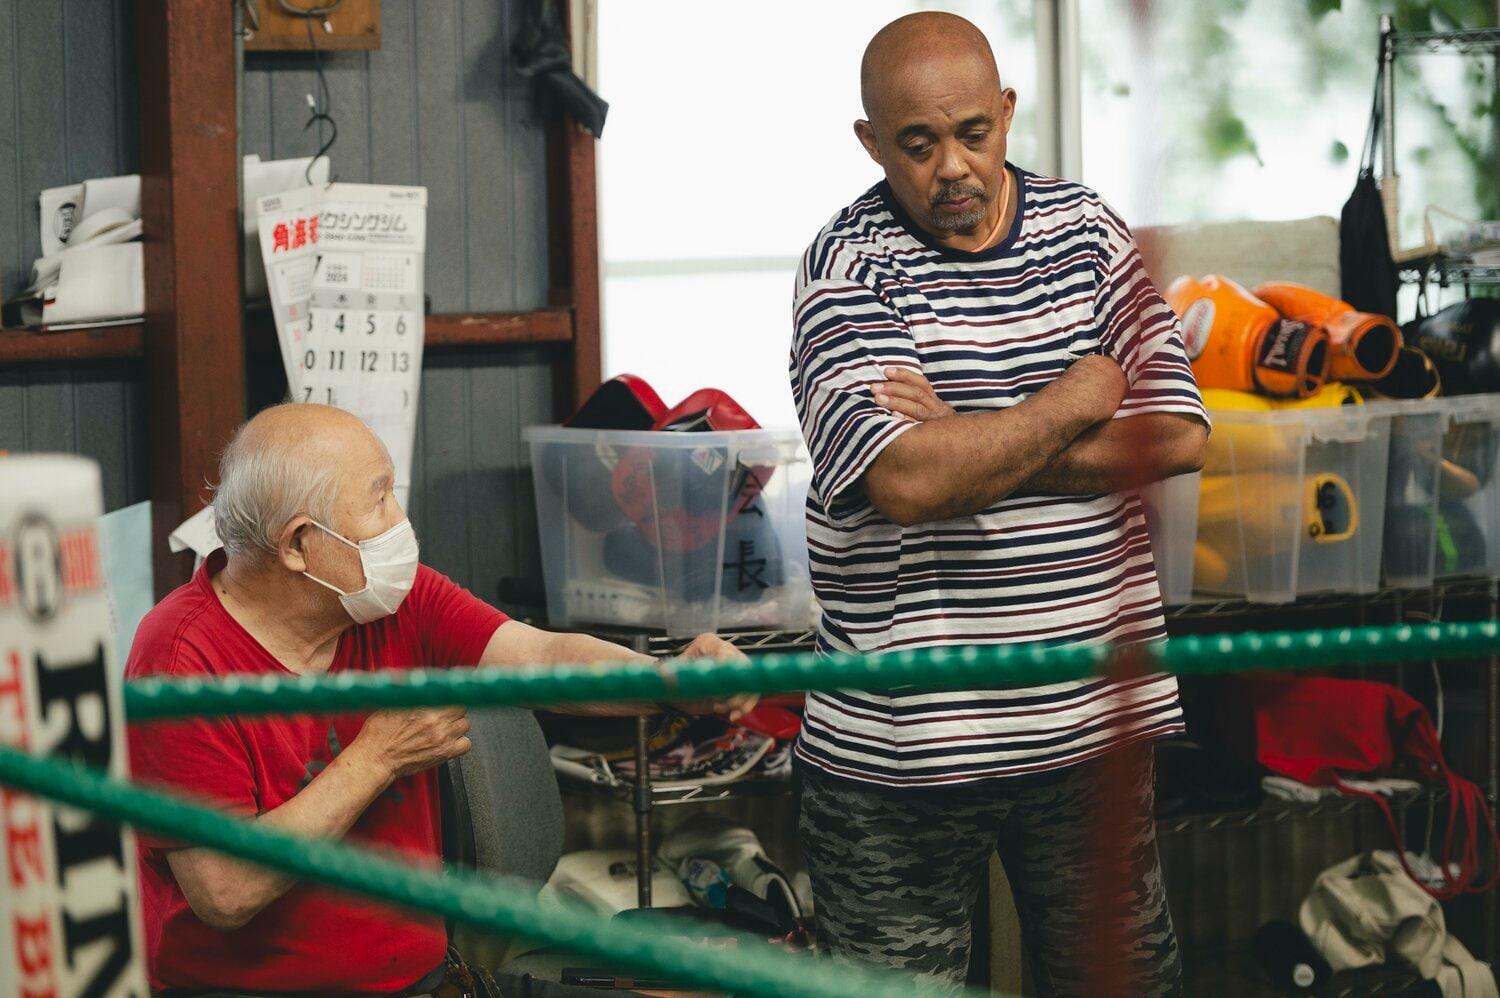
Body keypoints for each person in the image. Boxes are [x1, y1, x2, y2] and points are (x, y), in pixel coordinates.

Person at [788, 12, 1208, 996]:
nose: (952, 168)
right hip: (901, 757)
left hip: (1091, 731)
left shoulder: (1089, 231)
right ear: (870, 142)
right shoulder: (845, 266)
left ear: (1008, 114)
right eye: (918, 144)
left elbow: (1179, 436)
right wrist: (1073, 396)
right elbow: (905, 482)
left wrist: (970, 435)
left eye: (974, 132)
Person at [125, 403, 752, 995]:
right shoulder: (180, 662)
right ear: (296, 546)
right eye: (378, 500)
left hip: (420, 982)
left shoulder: (389, 601)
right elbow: (227, 891)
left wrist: (668, 682)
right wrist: (376, 758)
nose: (400, 522)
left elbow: (541, 658)